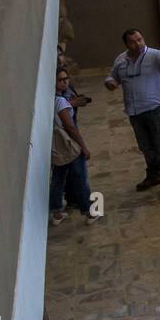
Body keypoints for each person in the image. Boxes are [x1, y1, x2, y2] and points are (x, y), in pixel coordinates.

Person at [105, 29, 160, 198]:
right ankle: (154, 176)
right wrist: (110, 83)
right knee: (146, 147)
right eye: (133, 41)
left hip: (155, 109)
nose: (138, 43)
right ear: (127, 44)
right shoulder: (121, 60)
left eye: (140, 39)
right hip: (134, 111)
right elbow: (112, 77)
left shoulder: (154, 56)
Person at [51, 68, 99, 225]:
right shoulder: (60, 101)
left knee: (58, 177)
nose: (65, 82)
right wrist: (83, 147)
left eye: (66, 78)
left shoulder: (52, 99)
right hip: (68, 144)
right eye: (61, 80)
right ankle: (89, 212)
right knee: (80, 176)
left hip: (57, 145)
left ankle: (56, 212)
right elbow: (70, 127)